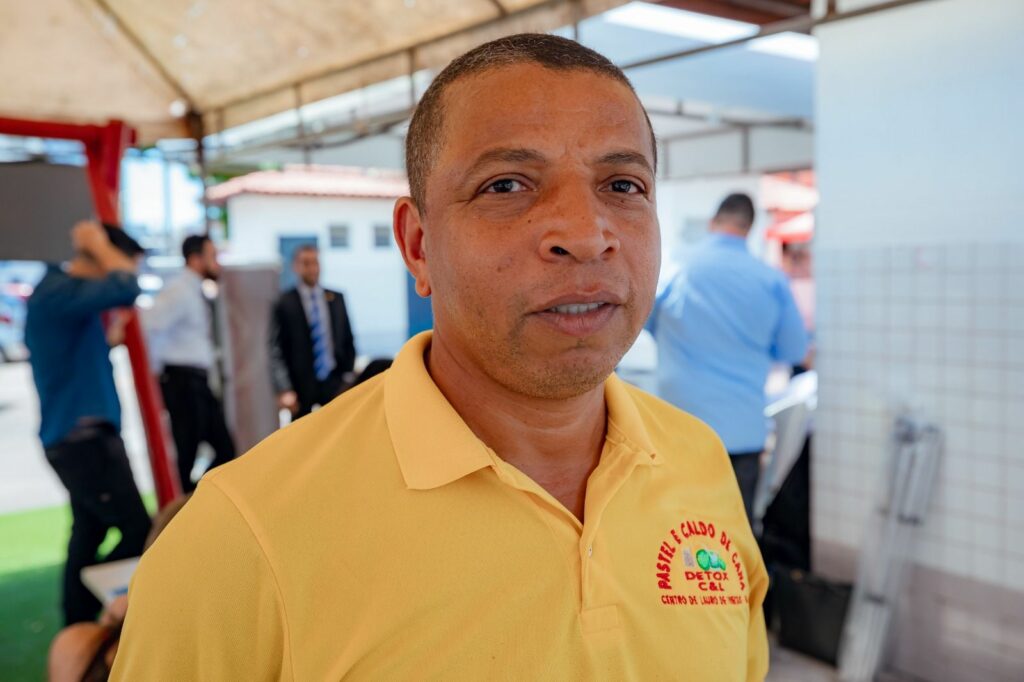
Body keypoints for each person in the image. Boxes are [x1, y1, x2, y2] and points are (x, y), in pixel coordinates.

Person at [113, 34, 768, 680]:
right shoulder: (242, 537)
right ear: (418, 245)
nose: (584, 234)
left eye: (623, 184)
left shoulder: (698, 462)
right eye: (506, 184)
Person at [647, 193, 809, 522]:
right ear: (749, 228)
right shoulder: (770, 280)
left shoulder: (676, 267)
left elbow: (644, 322)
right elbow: (793, 350)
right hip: (741, 433)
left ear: (713, 222)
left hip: (680, 431)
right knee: (734, 534)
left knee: (678, 533)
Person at [25, 221, 152, 626]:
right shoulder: (58, 292)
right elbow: (127, 286)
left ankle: (78, 625)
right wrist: (99, 244)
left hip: (78, 439)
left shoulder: (65, 299)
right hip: (84, 442)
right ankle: (97, 612)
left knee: (89, 532)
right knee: (138, 530)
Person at [142, 234, 236, 493]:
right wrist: (156, 372)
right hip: (181, 381)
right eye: (212, 256)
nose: (217, 263)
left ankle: (197, 498)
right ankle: (183, 505)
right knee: (186, 453)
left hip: (197, 381)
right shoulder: (179, 290)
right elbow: (148, 325)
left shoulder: (196, 291)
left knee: (225, 450)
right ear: (196, 259)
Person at [268, 244, 356, 418]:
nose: (312, 268)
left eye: (315, 262)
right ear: (295, 267)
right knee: (304, 431)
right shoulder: (285, 303)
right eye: (306, 263)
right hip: (300, 387)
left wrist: (347, 377)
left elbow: (347, 339)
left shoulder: (336, 298)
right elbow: (275, 350)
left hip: (334, 382)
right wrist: (284, 389)